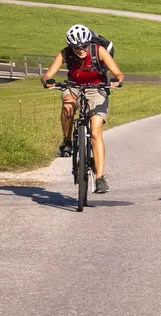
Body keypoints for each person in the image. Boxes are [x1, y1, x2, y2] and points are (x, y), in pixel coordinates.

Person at [41, 24, 124, 194]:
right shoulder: (65, 53)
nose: (81, 50)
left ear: (89, 43)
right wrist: (47, 81)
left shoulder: (98, 50)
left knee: (95, 132)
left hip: (97, 89)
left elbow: (119, 73)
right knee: (67, 107)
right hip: (74, 87)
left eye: (84, 46)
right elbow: (47, 74)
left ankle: (100, 178)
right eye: (76, 48)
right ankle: (67, 142)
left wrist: (117, 80)